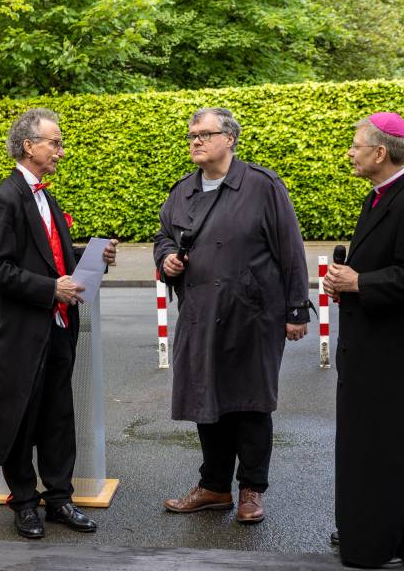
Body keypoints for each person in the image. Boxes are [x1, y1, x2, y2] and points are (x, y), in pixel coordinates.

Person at [153, 107, 310, 524]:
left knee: (251, 404)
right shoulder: (182, 190)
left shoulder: (262, 185)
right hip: (201, 315)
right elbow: (164, 236)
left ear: (230, 139)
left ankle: (252, 489)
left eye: (204, 134)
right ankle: (214, 487)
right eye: (191, 135)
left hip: (252, 317)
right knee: (208, 401)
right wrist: (167, 258)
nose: (195, 141)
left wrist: (296, 310)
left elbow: (290, 249)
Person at [0, 108, 118, 539]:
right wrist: (49, 290)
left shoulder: (47, 197)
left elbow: (55, 258)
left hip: (58, 326)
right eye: (54, 142)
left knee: (58, 416)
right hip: (21, 331)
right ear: (28, 146)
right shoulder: (3, 198)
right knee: (21, 417)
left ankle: (59, 498)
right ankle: (23, 501)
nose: (60, 150)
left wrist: (94, 260)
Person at [324, 112, 404, 567]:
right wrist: (349, 281)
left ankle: (382, 542)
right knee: (367, 447)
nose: (350, 153)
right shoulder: (378, 199)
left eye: (356, 145)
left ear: (379, 151)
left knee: (390, 450)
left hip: (395, 356)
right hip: (371, 347)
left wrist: (360, 283)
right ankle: (374, 534)